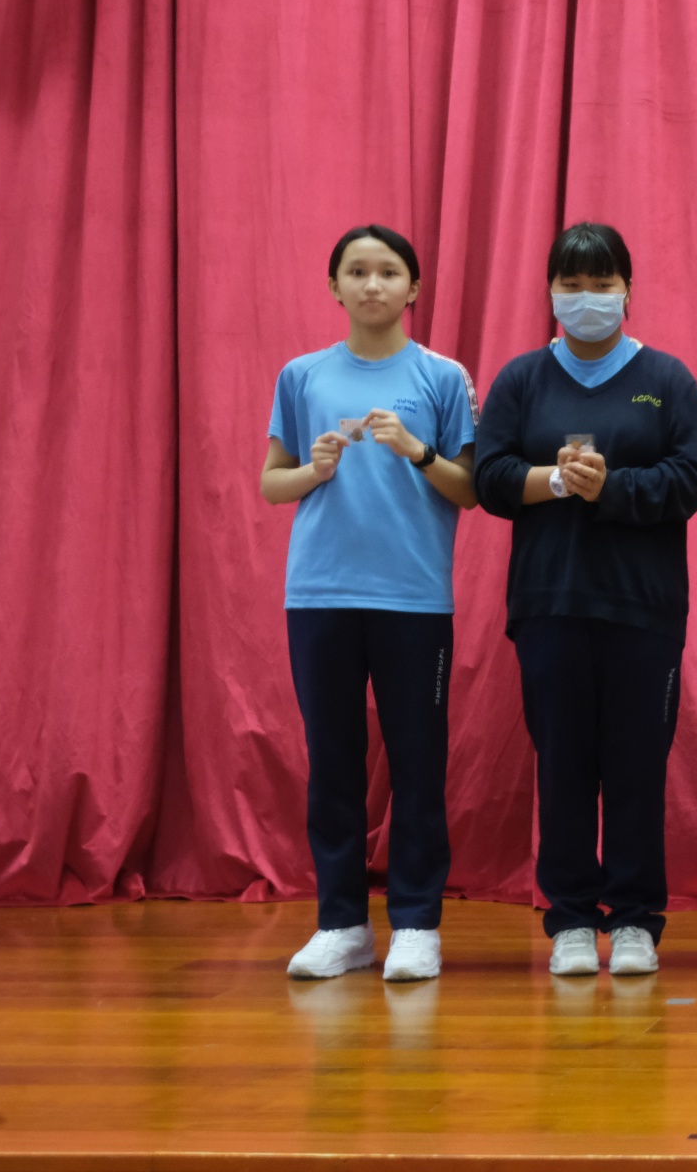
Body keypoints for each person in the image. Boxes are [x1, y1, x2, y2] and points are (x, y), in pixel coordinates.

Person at [474, 222, 697, 978]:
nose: (587, 299)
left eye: (602, 285)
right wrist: (552, 481)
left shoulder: (666, 379)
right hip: (549, 603)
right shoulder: (521, 379)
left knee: (638, 768)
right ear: (550, 292)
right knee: (563, 767)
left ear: (628, 291)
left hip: (643, 608)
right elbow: (488, 477)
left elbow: (692, 480)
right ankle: (572, 918)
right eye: (571, 286)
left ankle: (636, 918)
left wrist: (611, 487)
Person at [261, 224, 478, 982]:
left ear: (413, 288)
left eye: (388, 271)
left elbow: (471, 489)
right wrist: (313, 470)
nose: (373, 284)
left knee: (418, 763)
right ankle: (341, 923)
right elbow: (272, 481)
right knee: (333, 763)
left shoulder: (442, 376)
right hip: (319, 594)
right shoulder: (303, 375)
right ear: (334, 286)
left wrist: (416, 451)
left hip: (413, 598)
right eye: (356, 271)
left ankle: (416, 923)